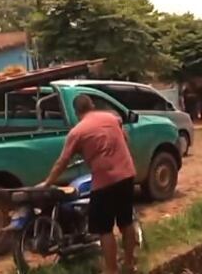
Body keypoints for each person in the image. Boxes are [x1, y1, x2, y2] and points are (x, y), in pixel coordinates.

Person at [39, 95, 138, 274]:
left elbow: (62, 162)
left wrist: (47, 182)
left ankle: (111, 270)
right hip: (127, 174)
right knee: (126, 221)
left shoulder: (77, 132)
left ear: (76, 112)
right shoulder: (111, 118)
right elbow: (125, 139)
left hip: (105, 181)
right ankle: (130, 263)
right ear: (92, 106)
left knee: (105, 229)